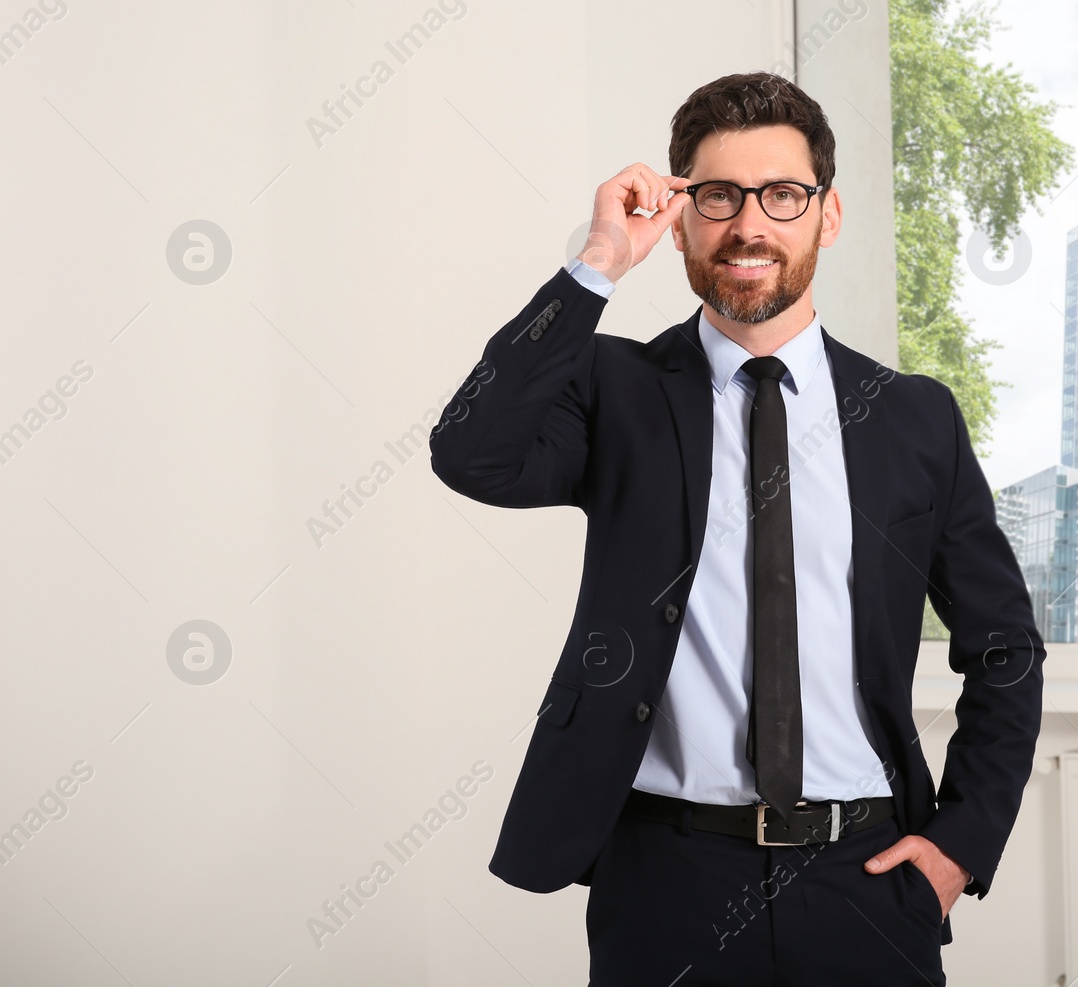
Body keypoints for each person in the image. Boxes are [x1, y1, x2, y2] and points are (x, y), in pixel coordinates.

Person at [430, 71, 1044, 986]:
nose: (748, 225)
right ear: (679, 213)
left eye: (783, 195)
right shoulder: (619, 390)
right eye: (717, 196)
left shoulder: (913, 416)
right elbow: (471, 449)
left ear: (826, 216)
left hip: (867, 879)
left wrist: (960, 842)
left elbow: (1005, 649)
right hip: (665, 876)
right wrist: (595, 263)